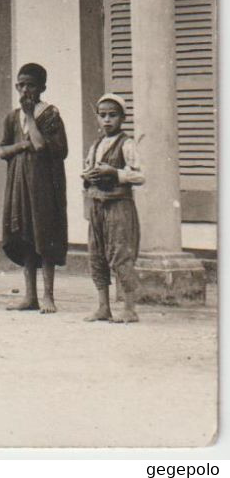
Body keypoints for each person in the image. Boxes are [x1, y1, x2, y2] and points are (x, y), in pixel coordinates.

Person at [0, 62, 68, 313]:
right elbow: (2, 150)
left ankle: (48, 296)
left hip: (44, 185)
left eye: (31, 85)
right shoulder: (11, 117)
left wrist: (29, 116)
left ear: (42, 88)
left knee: (44, 234)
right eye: (21, 85)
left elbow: (41, 146)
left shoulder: (49, 115)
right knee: (25, 235)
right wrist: (21, 146)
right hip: (19, 183)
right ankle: (30, 296)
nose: (25, 90)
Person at [81, 92, 144, 324]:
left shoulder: (127, 144)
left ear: (122, 118)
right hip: (97, 205)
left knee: (121, 255)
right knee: (96, 255)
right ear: (97, 118)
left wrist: (115, 173)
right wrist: (89, 175)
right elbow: (88, 169)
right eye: (103, 115)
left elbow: (139, 175)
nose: (107, 120)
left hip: (119, 206)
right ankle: (103, 307)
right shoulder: (96, 145)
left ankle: (129, 308)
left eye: (113, 115)